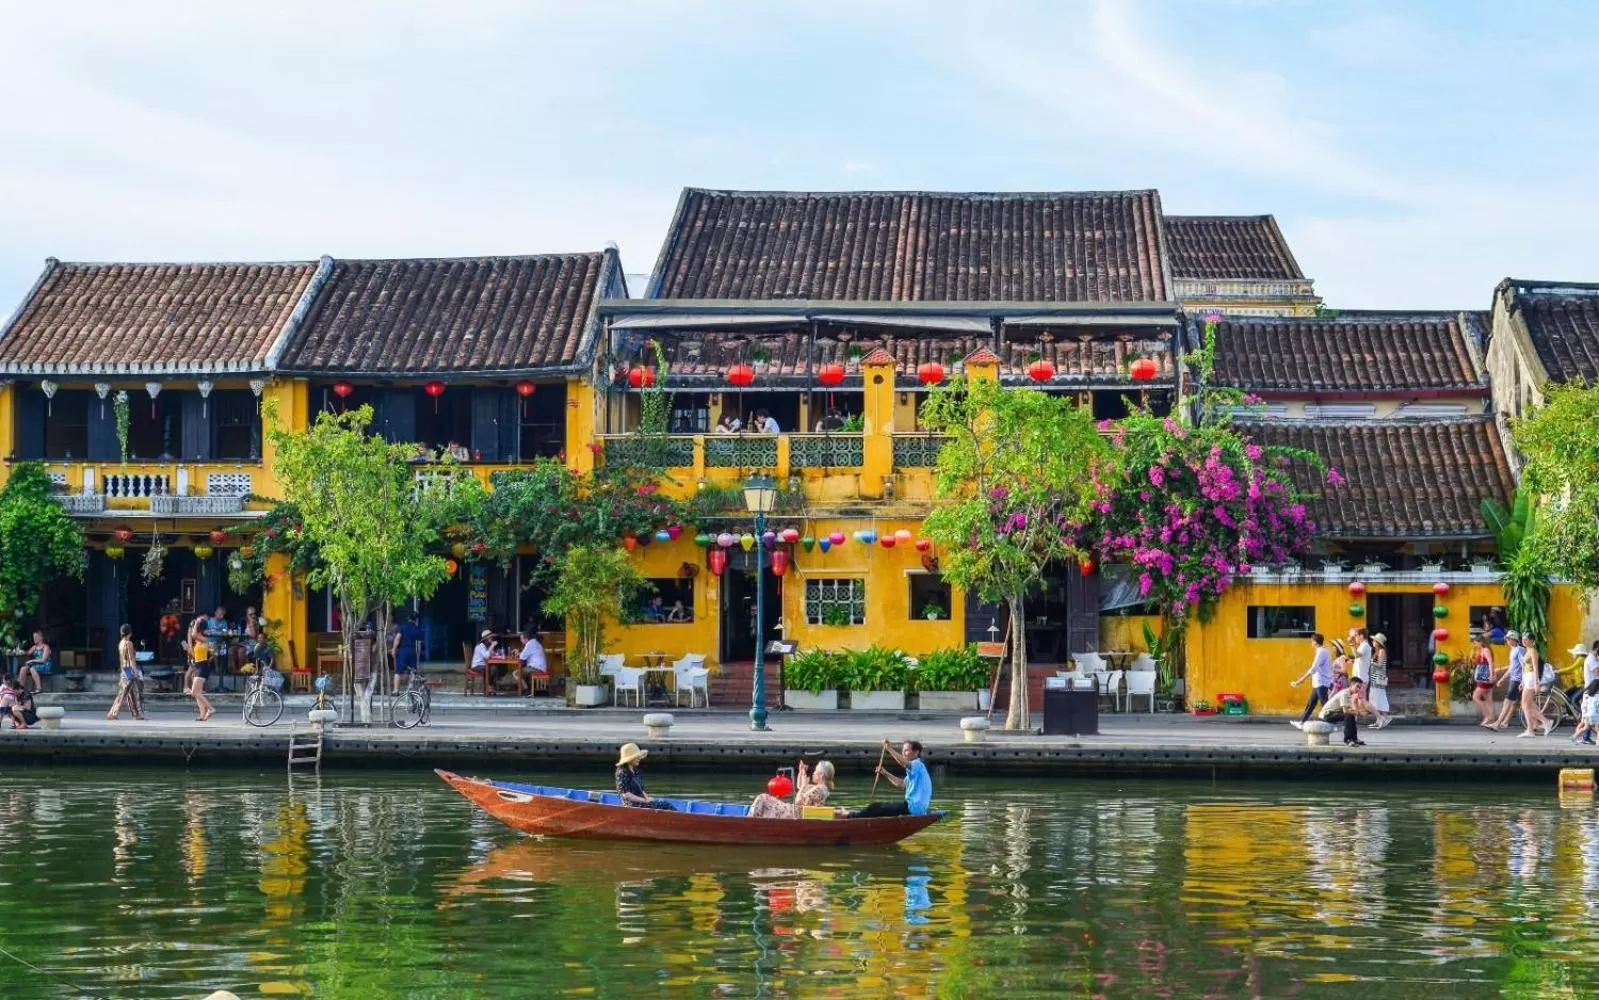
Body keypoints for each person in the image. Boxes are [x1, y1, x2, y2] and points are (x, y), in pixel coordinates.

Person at [842, 740, 932, 818]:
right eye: (903, 751)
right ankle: (858, 815)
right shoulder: (915, 772)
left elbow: (904, 763)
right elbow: (901, 785)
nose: (903, 753)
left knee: (875, 807)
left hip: (913, 807)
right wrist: (885, 773)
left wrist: (889, 748)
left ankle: (850, 816)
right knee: (878, 809)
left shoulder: (918, 764)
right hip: (915, 808)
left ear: (916, 752)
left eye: (906, 750)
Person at [750, 760, 835, 819]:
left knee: (762, 798)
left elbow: (798, 800)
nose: (813, 772)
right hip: (794, 811)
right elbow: (799, 786)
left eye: (816, 771)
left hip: (794, 813)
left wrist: (802, 787)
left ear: (822, 775)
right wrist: (801, 772)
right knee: (764, 798)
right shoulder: (820, 788)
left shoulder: (819, 789)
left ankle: (750, 821)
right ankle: (752, 819)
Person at [1289, 633, 1333, 730]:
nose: (1311, 643)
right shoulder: (1322, 651)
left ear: (1315, 642)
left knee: (1325, 704)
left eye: (1312, 641)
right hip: (1318, 682)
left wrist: (1300, 681)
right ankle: (1302, 722)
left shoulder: (1321, 652)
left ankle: (1332, 723)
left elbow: (1313, 668)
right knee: (1311, 704)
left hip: (1321, 682)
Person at [614, 742, 676, 810]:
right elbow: (626, 795)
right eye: (636, 756)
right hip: (631, 805)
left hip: (641, 802)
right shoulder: (622, 772)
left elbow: (640, 789)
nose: (639, 758)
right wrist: (644, 800)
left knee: (664, 803)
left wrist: (647, 798)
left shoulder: (636, 771)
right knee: (664, 804)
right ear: (629, 759)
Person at [107, 624, 145, 722]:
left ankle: (136, 714)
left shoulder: (121, 643)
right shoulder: (129, 643)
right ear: (130, 633)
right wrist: (135, 671)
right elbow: (132, 659)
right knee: (125, 693)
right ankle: (113, 713)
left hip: (124, 669)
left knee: (130, 693)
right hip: (129, 670)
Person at [1490, 630, 1524, 731]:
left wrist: (1522, 680)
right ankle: (1505, 722)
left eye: (1508, 639)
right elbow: (1512, 668)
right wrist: (1502, 679)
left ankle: (1497, 723)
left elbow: (1524, 665)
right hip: (1515, 679)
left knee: (1507, 702)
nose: (1507, 641)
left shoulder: (1519, 650)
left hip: (1517, 680)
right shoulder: (1513, 650)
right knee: (1519, 703)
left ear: (1514, 640)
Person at [1321, 677, 1370, 747]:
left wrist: (1357, 711)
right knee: (1348, 715)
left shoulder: (1350, 694)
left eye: (1360, 687)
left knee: (1351, 715)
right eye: (1357, 686)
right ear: (1351, 685)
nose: (1358, 689)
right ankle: (1348, 740)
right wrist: (1359, 713)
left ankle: (1354, 738)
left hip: (1335, 712)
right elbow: (1345, 711)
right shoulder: (1345, 693)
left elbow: (1350, 709)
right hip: (1327, 714)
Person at [1519, 633, 1551, 738]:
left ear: (1532, 641)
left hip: (1532, 678)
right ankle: (1533, 727)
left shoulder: (1533, 651)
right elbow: (1524, 668)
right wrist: (1522, 682)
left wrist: (1537, 683)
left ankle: (1543, 722)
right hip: (1527, 678)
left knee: (1525, 705)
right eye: (1523, 639)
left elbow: (1535, 667)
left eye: (1526, 639)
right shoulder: (1527, 651)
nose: (1524, 641)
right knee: (1527, 705)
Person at [188, 628, 215, 722]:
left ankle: (210, 709)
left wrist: (195, 624)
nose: (193, 634)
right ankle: (202, 714)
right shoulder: (197, 642)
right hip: (198, 666)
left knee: (195, 692)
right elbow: (195, 656)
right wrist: (188, 648)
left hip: (203, 667)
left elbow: (212, 653)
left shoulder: (204, 640)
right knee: (196, 692)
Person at [392, 613, 424, 691]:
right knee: (412, 671)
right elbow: (419, 644)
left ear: (408, 618)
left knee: (398, 671)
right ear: (416, 620)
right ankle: (410, 689)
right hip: (412, 651)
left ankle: (396, 690)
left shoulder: (403, 627)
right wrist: (418, 654)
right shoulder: (417, 629)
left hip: (403, 651)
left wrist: (394, 649)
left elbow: (397, 639)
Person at [1471, 635, 1497, 727]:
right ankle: (1491, 718)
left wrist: (1490, 675)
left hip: (1484, 678)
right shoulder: (1483, 650)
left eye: (1476, 643)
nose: (1475, 645)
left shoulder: (1485, 650)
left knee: (1475, 697)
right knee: (1488, 699)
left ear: (1481, 642)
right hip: (1485, 678)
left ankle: (1487, 716)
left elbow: (1490, 663)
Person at [1368, 632, 1392, 729]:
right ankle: (1379, 719)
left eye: (1374, 641)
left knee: (1379, 697)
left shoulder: (1381, 651)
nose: (1373, 642)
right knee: (1374, 698)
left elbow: (1379, 665)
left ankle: (1384, 717)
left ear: (1378, 642)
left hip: (1379, 677)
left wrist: (1370, 662)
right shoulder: (1376, 651)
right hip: (1375, 678)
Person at [516, 631, 547, 697]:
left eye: (521, 639)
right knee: (524, 670)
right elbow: (524, 655)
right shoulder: (534, 642)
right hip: (540, 667)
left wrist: (518, 653)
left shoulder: (530, 644)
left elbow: (521, 657)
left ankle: (527, 690)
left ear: (526, 639)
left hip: (537, 668)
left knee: (516, 673)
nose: (520, 640)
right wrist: (520, 653)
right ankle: (529, 689)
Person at [1573, 679, 1599, 747]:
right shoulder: (1597, 695)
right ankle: (1598, 743)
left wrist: (1583, 714)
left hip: (1587, 714)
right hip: (1595, 715)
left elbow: (1584, 704)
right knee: (1598, 729)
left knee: (1585, 728)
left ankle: (1573, 737)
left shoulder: (1587, 694)